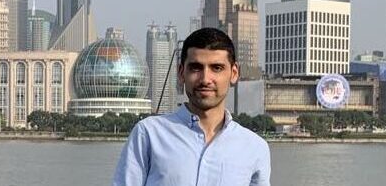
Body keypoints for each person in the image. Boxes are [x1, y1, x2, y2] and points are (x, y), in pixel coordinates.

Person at [112, 27, 271, 185]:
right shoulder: (148, 135)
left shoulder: (254, 148)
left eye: (217, 68)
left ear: (234, 73)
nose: (205, 79)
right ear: (181, 73)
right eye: (196, 68)